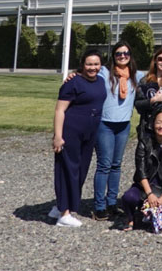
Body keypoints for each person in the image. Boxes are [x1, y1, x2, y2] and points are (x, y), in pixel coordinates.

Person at [50, 48, 107, 227]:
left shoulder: (101, 81)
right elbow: (60, 110)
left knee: (81, 170)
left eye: (96, 64)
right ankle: (64, 214)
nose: (92, 67)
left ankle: (60, 206)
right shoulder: (73, 82)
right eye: (89, 64)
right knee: (68, 170)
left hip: (89, 134)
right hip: (71, 131)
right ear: (82, 64)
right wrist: (58, 136)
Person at [93, 41, 145, 220]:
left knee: (116, 165)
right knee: (104, 165)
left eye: (126, 53)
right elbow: (86, 74)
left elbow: (157, 76)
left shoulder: (136, 76)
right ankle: (99, 206)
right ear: (113, 56)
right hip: (105, 124)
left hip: (123, 125)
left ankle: (112, 202)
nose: (123, 56)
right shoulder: (104, 73)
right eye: (118, 54)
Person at [120, 109, 162, 230]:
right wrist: (149, 194)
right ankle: (130, 218)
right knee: (129, 197)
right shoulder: (144, 143)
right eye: (159, 122)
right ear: (153, 124)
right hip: (144, 185)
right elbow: (141, 171)